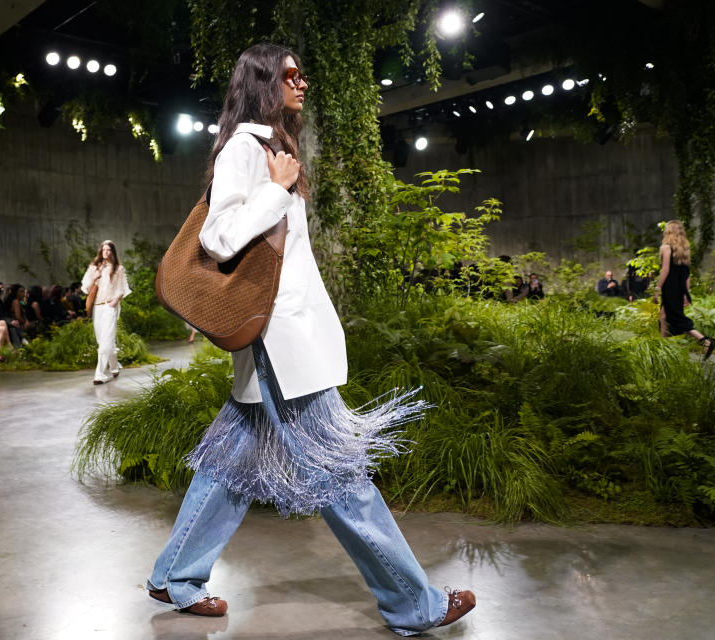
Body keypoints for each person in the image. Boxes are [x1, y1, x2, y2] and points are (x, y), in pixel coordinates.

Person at [146, 43, 475, 634]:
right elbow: (218, 239)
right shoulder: (244, 152)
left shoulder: (273, 150)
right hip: (280, 345)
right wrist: (275, 190)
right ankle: (412, 602)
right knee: (343, 474)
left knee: (231, 464)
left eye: (303, 72)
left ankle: (176, 575)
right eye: (291, 74)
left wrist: (280, 183)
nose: (302, 83)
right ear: (264, 82)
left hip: (285, 340)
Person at [653, 220, 715, 359]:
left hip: (670, 287)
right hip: (680, 288)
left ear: (668, 231)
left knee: (676, 318)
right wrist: (686, 293)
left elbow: (665, 270)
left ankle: (705, 340)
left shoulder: (666, 247)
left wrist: (657, 289)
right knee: (663, 316)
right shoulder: (684, 249)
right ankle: (663, 349)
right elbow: (686, 273)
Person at [82, 240, 131, 384]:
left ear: (113, 252)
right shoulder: (94, 267)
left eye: (108, 250)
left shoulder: (118, 269)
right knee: (102, 340)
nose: (106, 252)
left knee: (106, 340)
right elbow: (86, 288)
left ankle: (99, 375)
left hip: (111, 306)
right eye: (104, 249)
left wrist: (115, 300)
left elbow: (122, 289)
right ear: (100, 251)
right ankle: (114, 366)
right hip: (98, 306)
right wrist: (95, 276)